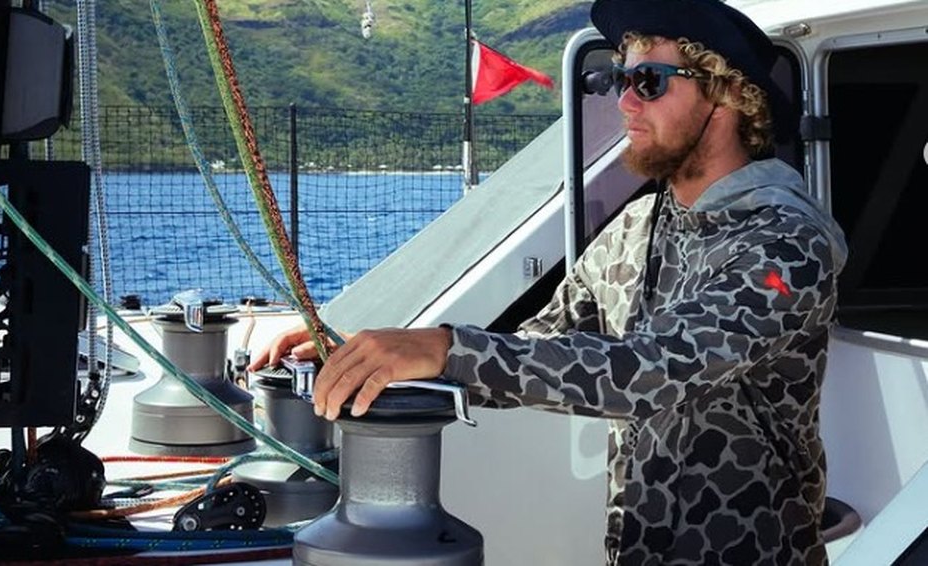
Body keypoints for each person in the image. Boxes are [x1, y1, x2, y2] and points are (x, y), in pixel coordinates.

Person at [250, 0, 848, 563]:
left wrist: (447, 348)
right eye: (619, 79)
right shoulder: (635, 228)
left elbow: (653, 371)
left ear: (729, 96)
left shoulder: (787, 242)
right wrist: (370, 354)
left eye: (648, 82)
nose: (625, 102)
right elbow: (538, 350)